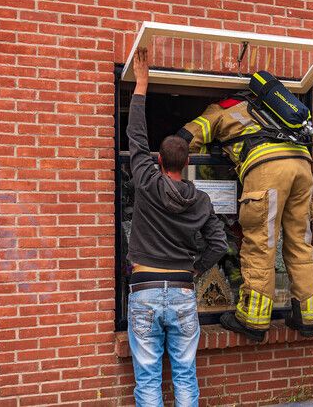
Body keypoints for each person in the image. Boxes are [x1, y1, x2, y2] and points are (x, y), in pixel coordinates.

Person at [177, 75, 313, 342]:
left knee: (260, 245)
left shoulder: (222, 108)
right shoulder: (275, 110)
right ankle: (307, 317)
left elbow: (186, 138)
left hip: (267, 171)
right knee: (301, 242)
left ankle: (253, 320)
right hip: (302, 166)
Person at [126, 48, 228, 406]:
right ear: (186, 163)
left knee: (148, 378)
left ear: (158, 161)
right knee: (185, 375)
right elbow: (219, 243)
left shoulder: (147, 183)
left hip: (145, 288)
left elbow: (135, 138)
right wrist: (196, 267)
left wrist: (142, 84)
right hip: (184, 292)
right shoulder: (201, 201)